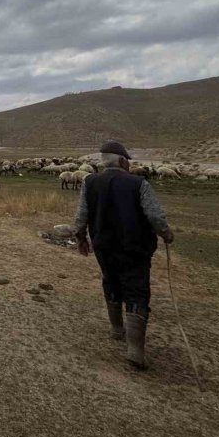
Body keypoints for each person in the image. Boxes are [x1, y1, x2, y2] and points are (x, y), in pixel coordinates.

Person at [73, 140, 174, 369]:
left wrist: (81, 239)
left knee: (111, 281)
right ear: (121, 161)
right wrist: (166, 233)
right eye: (127, 160)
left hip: (103, 246)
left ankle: (117, 329)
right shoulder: (138, 183)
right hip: (134, 248)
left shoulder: (90, 182)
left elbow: (81, 216)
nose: (128, 164)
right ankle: (135, 350)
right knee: (137, 289)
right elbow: (155, 216)